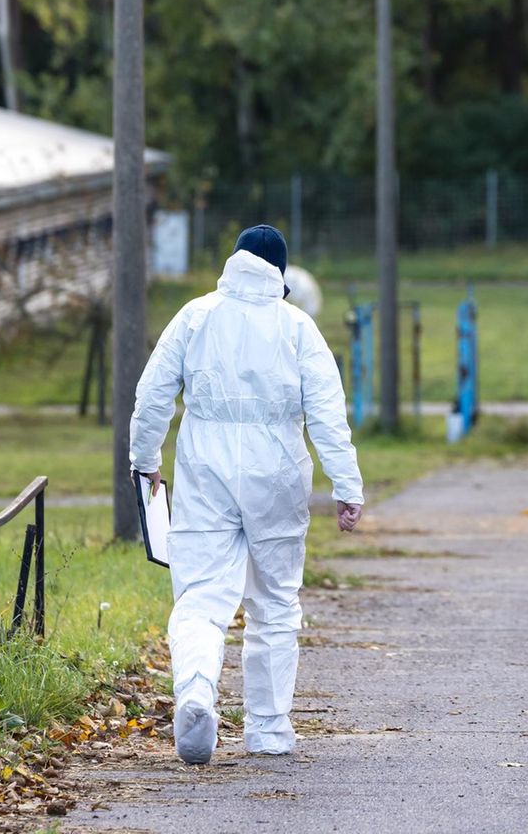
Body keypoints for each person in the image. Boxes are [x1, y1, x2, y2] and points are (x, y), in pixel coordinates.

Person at [129, 224, 363, 765]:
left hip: (204, 469)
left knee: (201, 599)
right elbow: (329, 415)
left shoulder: (195, 316)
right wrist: (347, 486)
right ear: (281, 273)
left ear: (233, 261)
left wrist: (145, 463)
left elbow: (153, 394)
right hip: (278, 471)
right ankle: (269, 731)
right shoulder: (297, 327)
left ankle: (194, 694)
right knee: (276, 603)